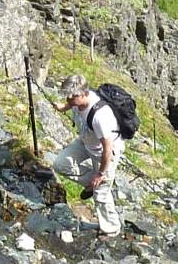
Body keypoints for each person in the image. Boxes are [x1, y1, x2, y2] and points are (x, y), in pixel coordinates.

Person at [48, 75, 124, 237]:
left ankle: (111, 229)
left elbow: (108, 149)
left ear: (83, 94)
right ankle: (93, 184)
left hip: (104, 153)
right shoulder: (77, 100)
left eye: (71, 97)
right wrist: (63, 107)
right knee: (61, 164)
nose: (69, 99)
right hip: (85, 142)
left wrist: (101, 174)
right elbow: (72, 105)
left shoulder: (100, 117)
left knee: (101, 193)